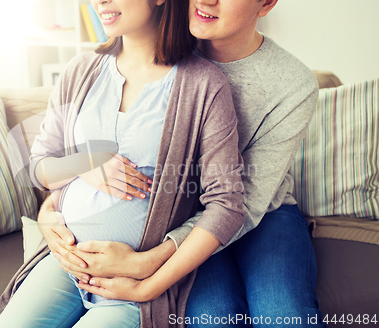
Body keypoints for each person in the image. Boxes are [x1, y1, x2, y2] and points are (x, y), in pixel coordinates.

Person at [44, 0, 328, 327]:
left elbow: (240, 205)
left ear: (266, 4)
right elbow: (101, 148)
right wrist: (51, 210)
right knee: (214, 319)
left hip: (262, 215)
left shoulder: (292, 83)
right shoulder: (158, 44)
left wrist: (149, 266)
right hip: (185, 213)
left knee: (285, 315)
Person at [0, 0, 246, 327]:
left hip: (128, 287)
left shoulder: (204, 85)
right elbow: (37, 166)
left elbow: (226, 205)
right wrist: (84, 163)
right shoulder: (80, 71)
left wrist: (149, 283)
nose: (99, 1)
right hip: (64, 264)